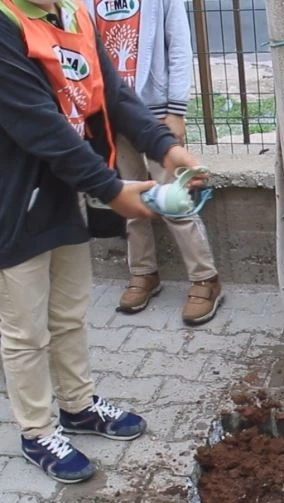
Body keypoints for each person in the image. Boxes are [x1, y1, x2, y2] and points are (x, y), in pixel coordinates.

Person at [0, 0, 202, 483]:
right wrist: (110, 188)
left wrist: (164, 146)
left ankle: (77, 406)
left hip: (62, 192)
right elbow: (39, 123)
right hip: (12, 199)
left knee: (69, 313)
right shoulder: (5, 23)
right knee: (25, 331)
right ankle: (36, 431)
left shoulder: (72, 14)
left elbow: (114, 95)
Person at [84, 0, 223, 325]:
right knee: (130, 198)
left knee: (175, 200)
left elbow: (179, 47)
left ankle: (205, 277)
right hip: (113, 114)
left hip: (157, 113)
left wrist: (176, 109)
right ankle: (143, 272)